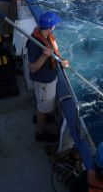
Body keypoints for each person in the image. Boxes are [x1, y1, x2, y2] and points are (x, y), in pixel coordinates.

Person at [27, 10, 69, 142]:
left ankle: (40, 115)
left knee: (43, 104)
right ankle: (40, 133)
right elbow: (32, 68)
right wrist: (44, 55)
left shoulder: (46, 36)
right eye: (54, 24)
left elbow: (54, 52)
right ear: (51, 27)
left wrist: (61, 60)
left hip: (49, 78)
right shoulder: (35, 44)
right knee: (43, 106)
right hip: (44, 83)